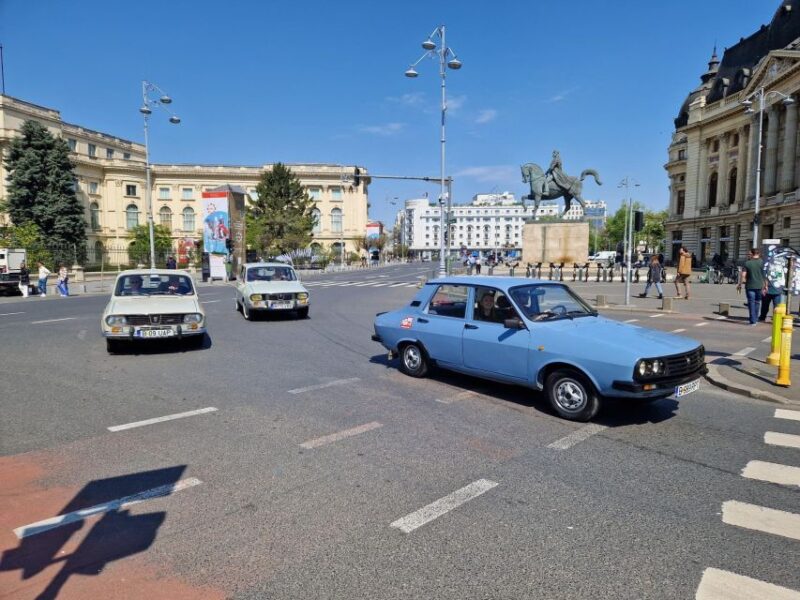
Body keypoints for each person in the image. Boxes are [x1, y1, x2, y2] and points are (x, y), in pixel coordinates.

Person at [738, 248, 767, 325]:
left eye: (749, 254)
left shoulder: (747, 263)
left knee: (751, 303)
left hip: (750, 286)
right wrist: (766, 286)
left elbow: (743, 275)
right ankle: (755, 318)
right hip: (760, 286)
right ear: (758, 254)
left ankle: (752, 320)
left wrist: (740, 284)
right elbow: (765, 276)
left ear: (752, 254)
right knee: (757, 302)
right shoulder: (762, 263)